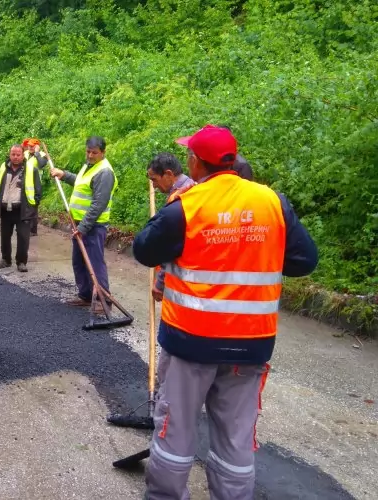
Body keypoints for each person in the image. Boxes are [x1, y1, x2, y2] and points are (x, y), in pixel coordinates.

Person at [132, 125, 318, 499]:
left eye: (189, 156)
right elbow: (303, 261)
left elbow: (144, 250)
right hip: (250, 346)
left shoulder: (188, 205)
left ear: (196, 163)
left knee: (176, 429)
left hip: (192, 343)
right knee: (236, 437)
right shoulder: (272, 202)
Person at [50, 136, 118, 310]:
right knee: (79, 261)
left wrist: (83, 227)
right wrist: (64, 175)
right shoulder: (89, 167)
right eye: (88, 151)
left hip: (93, 226)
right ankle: (86, 295)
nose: (90, 155)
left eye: (94, 153)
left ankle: (104, 301)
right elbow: (80, 183)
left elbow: (98, 204)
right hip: (79, 223)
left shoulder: (104, 172)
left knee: (95, 263)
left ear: (103, 152)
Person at [146, 152, 196, 302]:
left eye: (154, 179)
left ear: (168, 174)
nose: (153, 185)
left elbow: (171, 247)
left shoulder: (181, 198)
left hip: (183, 281)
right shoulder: (193, 188)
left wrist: (160, 283)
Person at [0, 144, 42, 272]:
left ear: (23, 156)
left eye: (18, 155)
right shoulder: (3, 168)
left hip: (22, 210)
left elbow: (38, 191)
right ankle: (5, 260)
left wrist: (33, 207)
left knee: (23, 238)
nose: (16, 157)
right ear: (9, 154)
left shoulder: (31, 170)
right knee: (5, 236)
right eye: (13, 154)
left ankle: (21, 262)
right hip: (6, 209)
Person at [23, 138, 49, 236]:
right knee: (26, 205)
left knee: (34, 206)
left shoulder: (42, 155)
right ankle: (27, 227)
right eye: (29, 145)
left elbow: (42, 164)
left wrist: (37, 153)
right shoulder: (25, 153)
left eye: (32, 146)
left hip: (35, 184)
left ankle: (33, 230)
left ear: (37, 146)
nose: (30, 147)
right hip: (25, 183)